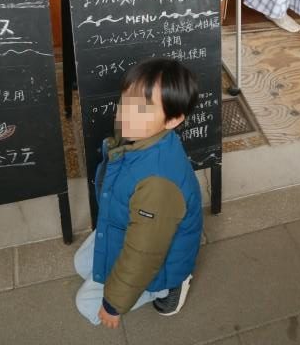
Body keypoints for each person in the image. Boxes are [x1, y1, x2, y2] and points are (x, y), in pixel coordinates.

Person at [74, 58, 203, 329]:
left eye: (143, 109)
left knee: (87, 306)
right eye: (126, 101)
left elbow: (144, 253)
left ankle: (169, 288)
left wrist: (114, 304)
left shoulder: (157, 184)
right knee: (81, 264)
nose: (126, 113)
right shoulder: (143, 139)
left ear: (173, 119)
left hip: (158, 255)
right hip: (138, 226)